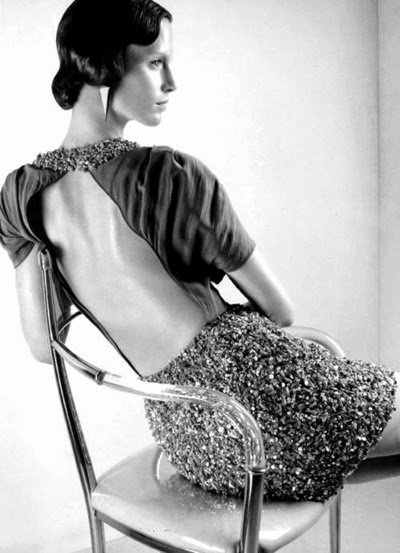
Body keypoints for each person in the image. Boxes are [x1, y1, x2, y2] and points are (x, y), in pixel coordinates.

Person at [0, 0, 399, 502]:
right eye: (155, 62)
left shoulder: (19, 196)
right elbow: (281, 311)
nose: (171, 82)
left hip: (192, 439)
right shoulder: (170, 178)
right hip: (264, 411)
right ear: (105, 68)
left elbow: (44, 346)